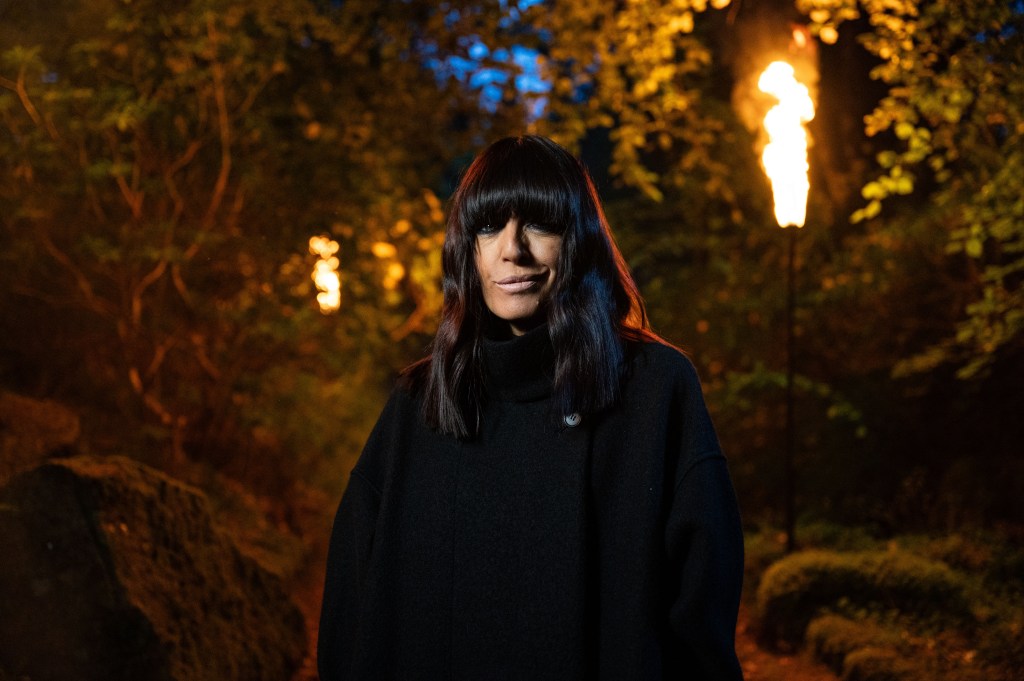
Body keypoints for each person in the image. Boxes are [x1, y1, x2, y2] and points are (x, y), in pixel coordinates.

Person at [318, 135, 744, 680]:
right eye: (488, 227)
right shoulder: (419, 404)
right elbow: (350, 610)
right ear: (466, 248)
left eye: (539, 225)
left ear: (579, 240)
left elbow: (702, 603)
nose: (511, 250)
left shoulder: (655, 389)